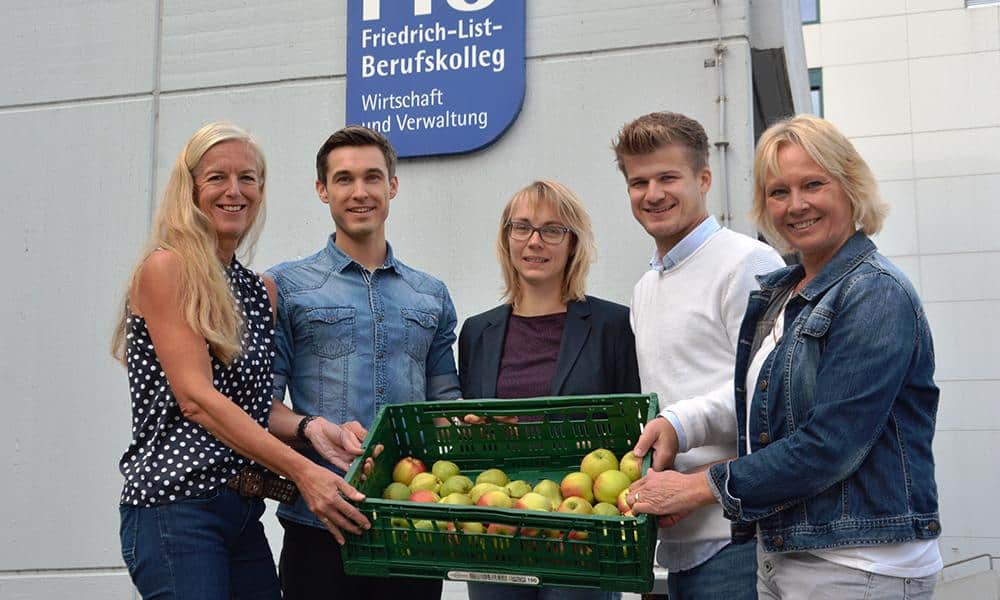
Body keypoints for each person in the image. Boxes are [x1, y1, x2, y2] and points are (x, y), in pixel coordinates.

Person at [626, 114, 942, 599]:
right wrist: (676, 424)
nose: (796, 205)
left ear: (850, 186)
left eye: (813, 184)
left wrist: (696, 487)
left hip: (860, 563)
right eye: (778, 192)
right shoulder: (784, 294)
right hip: (786, 554)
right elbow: (761, 416)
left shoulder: (874, 292)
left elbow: (828, 445)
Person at [113, 122, 370, 600]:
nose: (235, 191)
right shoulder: (167, 268)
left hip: (241, 512)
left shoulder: (259, 290)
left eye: (248, 178)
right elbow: (198, 400)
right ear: (189, 189)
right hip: (177, 509)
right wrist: (303, 470)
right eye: (217, 178)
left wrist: (312, 428)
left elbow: (251, 407)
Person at [265, 125, 461, 600]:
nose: (360, 192)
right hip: (319, 519)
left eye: (373, 178)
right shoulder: (285, 287)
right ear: (322, 190)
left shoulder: (429, 294)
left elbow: (447, 401)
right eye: (344, 179)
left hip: (413, 522)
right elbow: (260, 406)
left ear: (392, 186)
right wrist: (310, 426)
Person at [612, 112, 785, 599]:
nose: (653, 194)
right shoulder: (646, 288)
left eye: (668, 177)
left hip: (738, 536)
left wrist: (677, 424)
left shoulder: (748, 263)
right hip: (676, 541)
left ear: (704, 179)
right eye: (638, 182)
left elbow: (771, 397)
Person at [458, 180, 640, 600]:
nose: (534, 241)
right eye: (521, 228)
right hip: (496, 531)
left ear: (573, 243)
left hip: (583, 533)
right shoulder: (477, 332)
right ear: (506, 239)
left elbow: (632, 432)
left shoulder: (612, 326)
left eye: (551, 230)